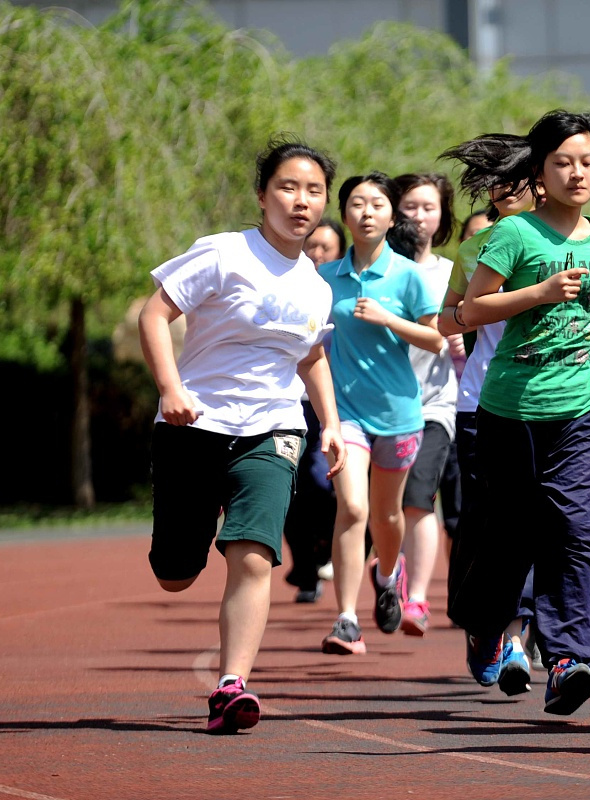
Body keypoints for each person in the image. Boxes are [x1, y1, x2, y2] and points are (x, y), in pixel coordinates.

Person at [137, 137, 346, 733]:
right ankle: (186, 539)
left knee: (253, 554)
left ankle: (232, 686)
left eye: (313, 191)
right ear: (261, 195)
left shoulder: (315, 283)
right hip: (193, 425)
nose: (300, 202)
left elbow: (310, 358)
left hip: (273, 428)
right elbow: (154, 315)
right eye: (287, 187)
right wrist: (172, 388)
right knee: (174, 573)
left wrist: (329, 423)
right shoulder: (224, 254)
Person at [441, 111, 590, 716]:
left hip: (586, 406)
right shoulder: (513, 236)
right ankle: (486, 625)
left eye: (587, 161)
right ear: (539, 171)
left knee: (582, 531)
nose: (576, 172)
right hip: (510, 411)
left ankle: (567, 659)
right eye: (562, 162)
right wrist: (536, 293)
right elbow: (471, 311)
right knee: (509, 537)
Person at [319, 172, 444, 655]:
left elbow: (434, 339)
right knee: (352, 508)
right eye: (355, 203)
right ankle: (346, 620)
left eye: (376, 204)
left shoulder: (409, 275)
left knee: (388, 515)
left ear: (392, 215)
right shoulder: (326, 277)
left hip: (398, 414)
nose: (366, 212)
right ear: (344, 213)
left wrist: (390, 319)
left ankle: (388, 575)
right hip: (346, 413)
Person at [439, 180, 541, 695]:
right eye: (496, 180)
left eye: (517, 177)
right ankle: (486, 627)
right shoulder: (476, 248)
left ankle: (518, 635)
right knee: (487, 525)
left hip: (556, 406)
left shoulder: (580, 240)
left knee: (543, 522)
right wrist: (478, 309)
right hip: (484, 404)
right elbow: (446, 319)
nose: (506, 188)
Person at [389, 171, 460, 636]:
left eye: (428, 207)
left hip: (435, 404)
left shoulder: (452, 272)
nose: (418, 215)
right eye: (410, 206)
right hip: (378, 404)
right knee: (379, 507)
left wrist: (459, 342)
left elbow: (466, 328)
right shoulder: (374, 270)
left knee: (419, 498)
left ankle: (417, 599)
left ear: (443, 215)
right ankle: (386, 573)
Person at [284, 218, 349, 603]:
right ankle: (306, 567)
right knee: (295, 487)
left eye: (326, 247)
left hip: (342, 404)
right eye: (312, 246)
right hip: (294, 403)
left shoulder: (342, 292)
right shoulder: (290, 285)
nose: (318, 253)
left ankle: (325, 551)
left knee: (326, 484)